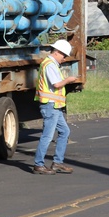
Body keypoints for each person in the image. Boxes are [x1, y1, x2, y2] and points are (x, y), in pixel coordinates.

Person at [32, 39, 79, 175]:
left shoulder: (51, 64)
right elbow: (57, 84)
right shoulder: (50, 65)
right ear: (57, 52)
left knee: (65, 131)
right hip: (50, 106)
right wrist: (68, 80)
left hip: (54, 106)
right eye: (64, 55)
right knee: (47, 136)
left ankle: (57, 162)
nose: (64, 59)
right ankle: (38, 164)